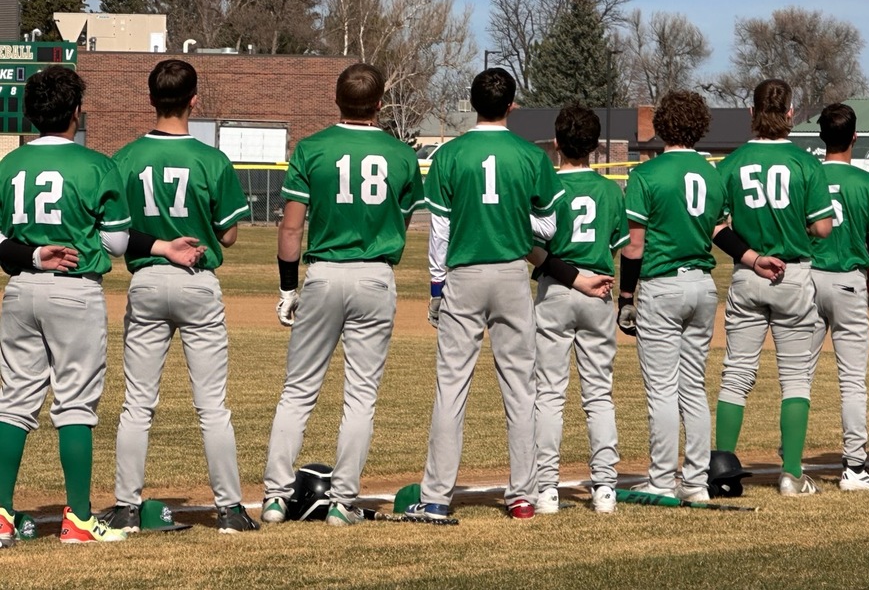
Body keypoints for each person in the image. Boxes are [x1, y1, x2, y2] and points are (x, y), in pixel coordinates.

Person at [0, 66, 198, 545]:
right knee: (75, 404)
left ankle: (1, 515)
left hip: (20, 288)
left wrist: (33, 255)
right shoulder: (96, 166)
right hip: (75, 289)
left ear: (30, 114)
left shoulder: (8, 165)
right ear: (76, 111)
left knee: (13, 404)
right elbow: (115, 243)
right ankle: (80, 520)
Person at [406, 67, 611, 522]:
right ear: (512, 106)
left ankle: (436, 497)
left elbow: (440, 231)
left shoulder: (449, 154)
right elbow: (548, 226)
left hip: (463, 273)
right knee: (520, 387)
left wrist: (437, 286)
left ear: (472, 103)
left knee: (451, 387)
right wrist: (515, 220)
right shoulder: (531, 156)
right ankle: (522, 496)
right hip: (513, 274)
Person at [261, 63, 425, 527]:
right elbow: (401, 219)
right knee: (361, 395)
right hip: (375, 274)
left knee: (298, 391)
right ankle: (342, 501)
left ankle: (275, 497)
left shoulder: (312, 148)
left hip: (324, 273)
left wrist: (287, 287)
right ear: (379, 105)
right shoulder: (401, 155)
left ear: (336, 99)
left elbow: (290, 228)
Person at [102, 59, 258, 535]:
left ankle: (127, 506)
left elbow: (115, 234)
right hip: (196, 280)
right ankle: (229, 509)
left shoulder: (124, 158)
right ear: (194, 100)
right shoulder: (211, 159)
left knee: (137, 403)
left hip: (148, 278)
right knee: (212, 405)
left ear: (151, 99)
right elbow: (229, 235)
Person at [619, 90, 781, 503]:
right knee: (692, 386)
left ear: (661, 126)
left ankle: (661, 479)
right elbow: (719, 230)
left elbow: (634, 247)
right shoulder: (711, 174)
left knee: (662, 389)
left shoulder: (646, 175)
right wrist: (753, 258)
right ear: (700, 127)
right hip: (703, 287)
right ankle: (694, 482)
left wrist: (625, 296)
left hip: (662, 284)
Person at [713, 78, 834, 497]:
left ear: (751, 113)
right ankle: (791, 474)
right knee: (795, 379)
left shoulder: (731, 163)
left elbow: (715, 225)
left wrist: (750, 255)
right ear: (790, 114)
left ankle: (723, 468)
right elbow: (823, 226)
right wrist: (796, 228)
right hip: (793, 273)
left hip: (748, 272)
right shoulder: (805, 163)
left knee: (736, 375)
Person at [532, 104, 628, 516]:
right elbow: (617, 244)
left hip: (557, 286)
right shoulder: (610, 190)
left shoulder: (549, 187)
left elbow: (534, 247)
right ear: (595, 147)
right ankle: (605, 487)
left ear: (556, 143)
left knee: (549, 393)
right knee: (598, 393)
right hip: (598, 289)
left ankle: (546, 488)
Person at [808, 104, 869, 492]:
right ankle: (854, 467)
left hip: (807, 279)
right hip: (849, 279)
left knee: (798, 378)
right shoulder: (867, 183)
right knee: (852, 380)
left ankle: (791, 465)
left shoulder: (806, 178)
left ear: (821, 137)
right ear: (855, 137)